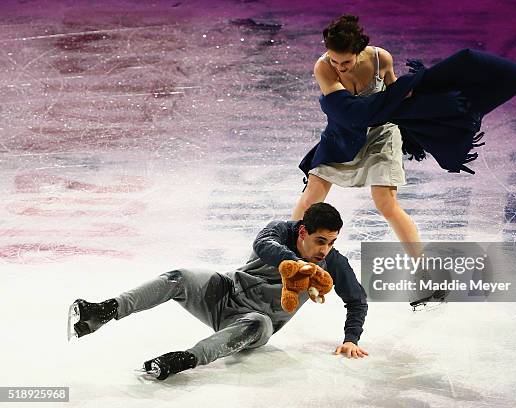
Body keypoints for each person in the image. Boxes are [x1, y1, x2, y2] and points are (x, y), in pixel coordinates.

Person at [68, 203, 369, 381]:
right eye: (320, 241)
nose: (324, 250)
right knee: (179, 276)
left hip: (255, 320)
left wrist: (350, 339)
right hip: (225, 292)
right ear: (302, 231)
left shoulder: (333, 264)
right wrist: (295, 266)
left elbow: (357, 302)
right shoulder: (278, 231)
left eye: (330, 242)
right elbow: (265, 246)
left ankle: (183, 360)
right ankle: (104, 310)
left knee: (258, 324)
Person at [291, 14, 423, 256]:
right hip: (342, 137)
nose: (338, 67)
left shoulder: (380, 58)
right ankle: (289, 259)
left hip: (382, 135)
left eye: (345, 62)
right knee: (310, 200)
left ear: (359, 51)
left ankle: (424, 270)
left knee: (386, 203)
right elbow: (351, 114)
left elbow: (396, 98)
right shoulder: (322, 67)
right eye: (334, 61)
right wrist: (392, 98)